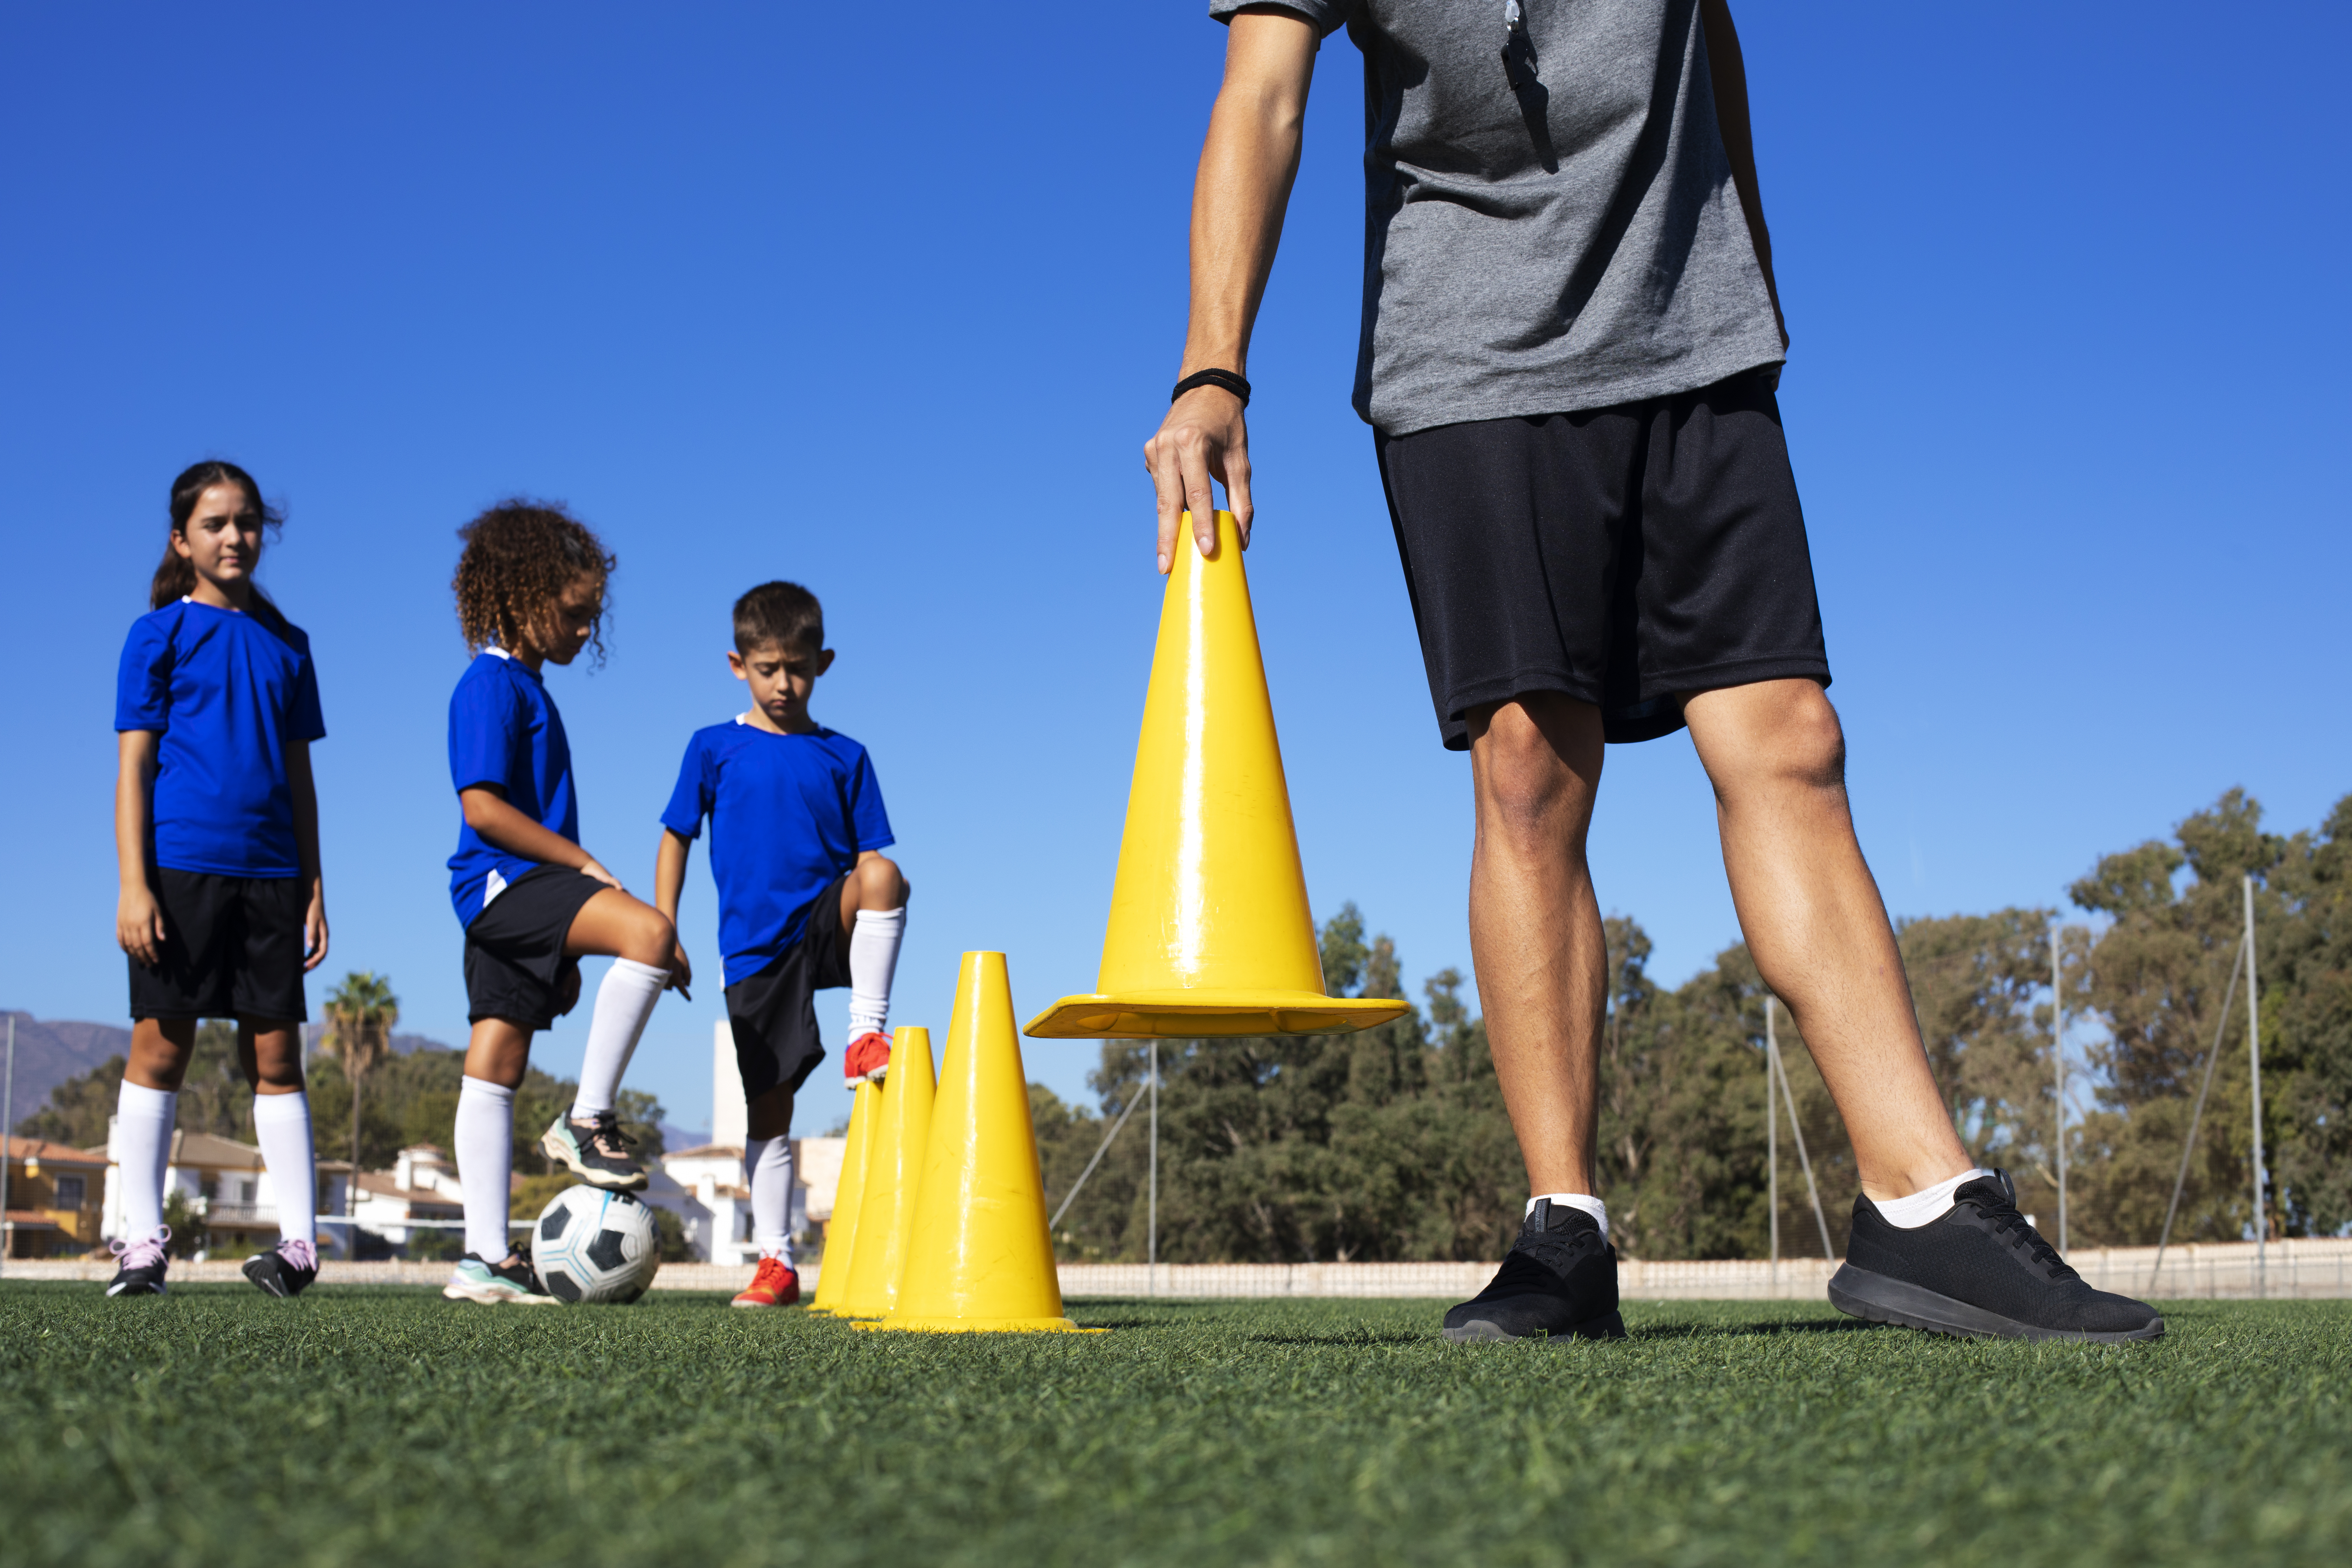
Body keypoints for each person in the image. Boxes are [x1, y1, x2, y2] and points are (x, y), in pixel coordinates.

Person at [1147, 2, 2161, 1343]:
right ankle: (1564, 1231)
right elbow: (1261, 96)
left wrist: (1752, 269)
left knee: (1792, 736)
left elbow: (1714, 32)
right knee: (1528, 769)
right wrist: (1213, 370)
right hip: (1469, 360)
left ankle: (1921, 1206)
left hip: (1696, 338)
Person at [440, 500, 685, 1305]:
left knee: (498, 1059)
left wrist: (572, 939)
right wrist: (588, 871)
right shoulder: (489, 685)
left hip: (507, 897)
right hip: (504, 884)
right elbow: (483, 809)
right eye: (574, 615)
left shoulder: (529, 688)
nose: (586, 631)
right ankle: (587, 1119)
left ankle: (482, 1258)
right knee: (650, 930)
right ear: (518, 596)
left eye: (592, 618)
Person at [110, 460, 329, 1300]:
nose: (234, 536)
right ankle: (141, 1246)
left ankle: (301, 1245)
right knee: (161, 1044)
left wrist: (314, 882)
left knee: (276, 1050)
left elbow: (300, 778)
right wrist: (136, 884)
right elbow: (133, 770)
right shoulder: (156, 635)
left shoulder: (290, 645)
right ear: (182, 540)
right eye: (214, 524)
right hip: (178, 869)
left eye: (246, 522)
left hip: (273, 873)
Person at [654, 581, 906, 1310]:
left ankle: (867, 1034)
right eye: (768, 668)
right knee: (770, 1111)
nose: (784, 683)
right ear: (739, 664)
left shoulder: (846, 755)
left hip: (827, 922)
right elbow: (675, 835)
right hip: (755, 951)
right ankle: (777, 1262)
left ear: (823, 662)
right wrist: (664, 926)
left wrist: (859, 899)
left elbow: (870, 862)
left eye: (798, 668)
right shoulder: (713, 746)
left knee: (885, 874)